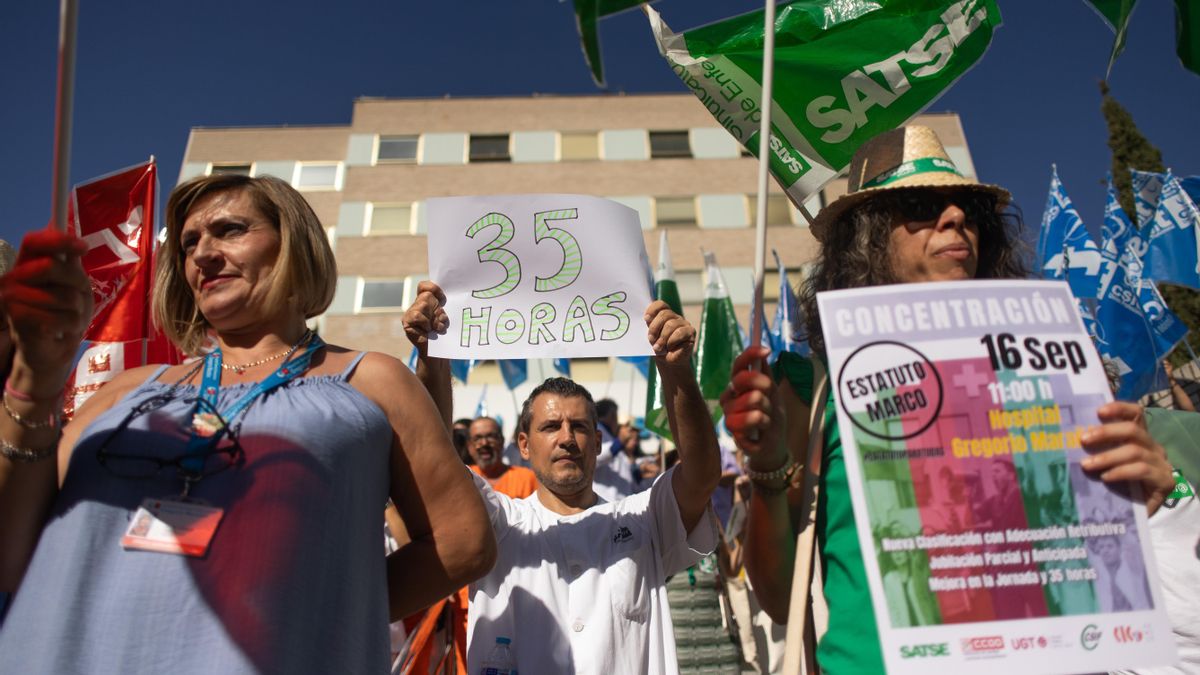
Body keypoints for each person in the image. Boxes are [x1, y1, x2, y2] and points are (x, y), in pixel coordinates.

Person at [719, 126, 1176, 672]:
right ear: (866, 237)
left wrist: (1137, 498)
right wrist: (768, 470)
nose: (955, 217)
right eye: (920, 205)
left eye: (969, 210)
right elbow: (780, 600)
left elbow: (1101, 554)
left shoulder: (1056, 362)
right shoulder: (811, 384)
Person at [0, 175, 495, 673]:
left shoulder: (372, 381)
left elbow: (463, 542)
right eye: (190, 242)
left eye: (229, 230)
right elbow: (10, 549)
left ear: (293, 246)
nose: (202, 254)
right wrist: (33, 379)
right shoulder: (124, 391)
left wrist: (315, 613)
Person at [403, 281, 721, 674]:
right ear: (523, 444)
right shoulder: (496, 522)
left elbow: (703, 473)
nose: (567, 438)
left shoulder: (643, 519)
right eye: (551, 426)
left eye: (580, 427)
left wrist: (677, 373)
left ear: (600, 442)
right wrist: (434, 358)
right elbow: (435, 459)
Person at [467, 416, 537, 497]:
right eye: (477, 438)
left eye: (490, 436)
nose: (484, 443)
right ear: (469, 446)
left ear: (502, 441)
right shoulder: (464, 477)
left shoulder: (527, 478)